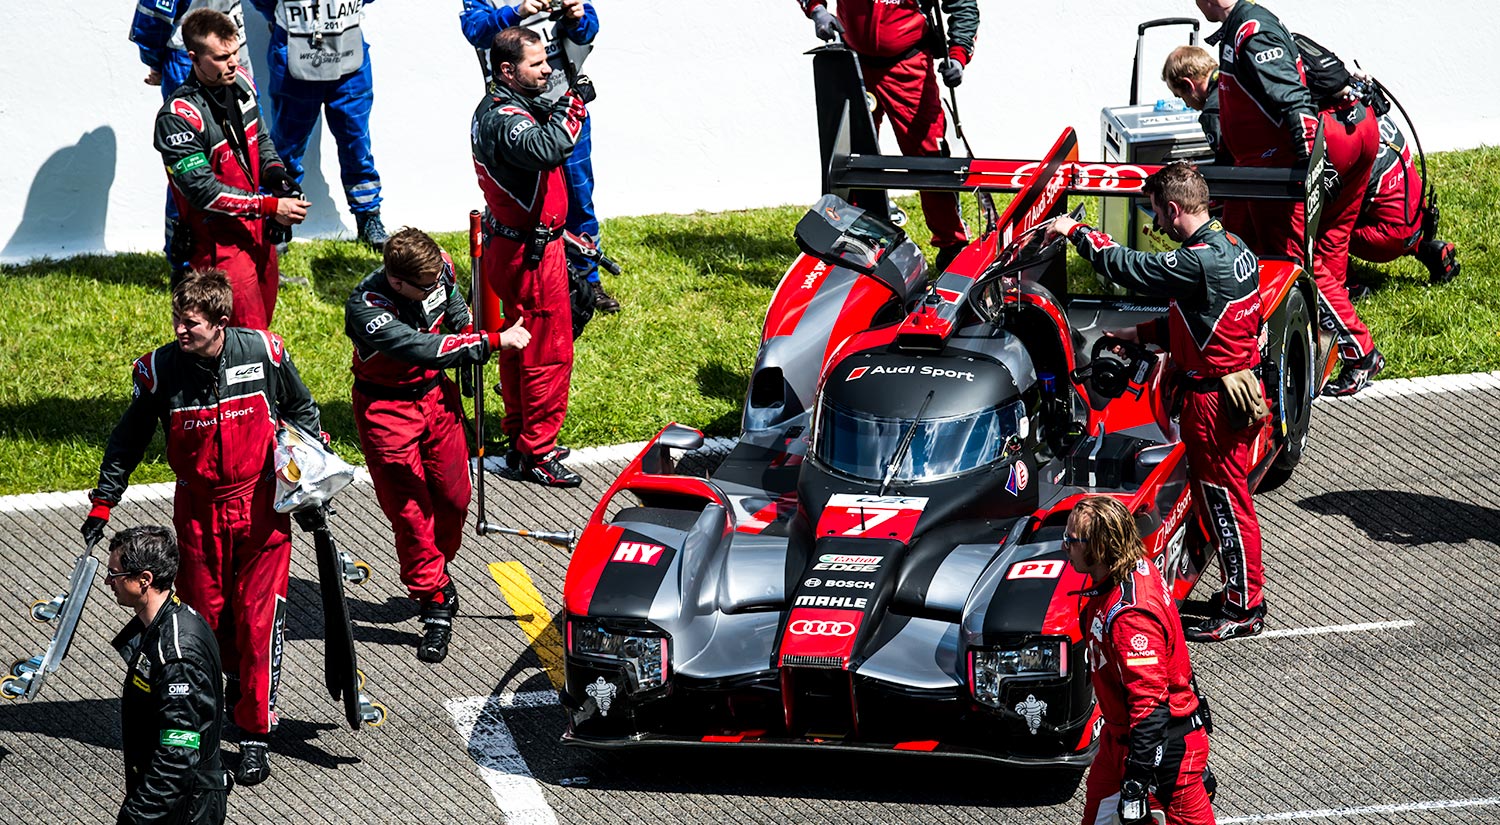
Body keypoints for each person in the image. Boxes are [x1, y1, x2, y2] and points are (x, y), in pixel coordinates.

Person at [84, 268, 324, 786]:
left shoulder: (264, 351)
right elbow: (128, 438)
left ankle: (255, 735)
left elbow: (302, 409)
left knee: (261, 623)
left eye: (189, 322)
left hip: (262, 509)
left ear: (221, 322)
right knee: (205, 623)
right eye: (176, 319)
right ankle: (211, 709)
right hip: (197, 513)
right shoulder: (159, 371)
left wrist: (306, 481)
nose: (179, 330)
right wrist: (104, 500)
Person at [1048, 162, 1267, 642]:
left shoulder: (1198, 260)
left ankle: (1246, 606)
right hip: (1237, 387)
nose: (1156, 224)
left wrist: (1077, 232)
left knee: (1228, 503)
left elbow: (1130, 267)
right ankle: (1240, 594)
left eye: (1156, 213)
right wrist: (1139, 333)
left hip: (1214, 402)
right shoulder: (1234, 248)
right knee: (1225, 498)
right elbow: (1203, 320)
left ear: (1173, 209)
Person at [344, 228, 531, 662]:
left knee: (454, 497)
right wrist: (488, 342)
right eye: (423, 285)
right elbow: (420, 346)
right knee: (411, 513)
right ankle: (434, 596)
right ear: (397, 282)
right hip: (385, 411)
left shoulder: (438, 266)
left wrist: (466, 327)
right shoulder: (366, 308)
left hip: (435, 397)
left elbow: (452, 299)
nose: (435, 284)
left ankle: (433, 565)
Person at [1194, 0, 1382, 397]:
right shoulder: (1240, 27)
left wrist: (1309, 170)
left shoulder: (1252, 30)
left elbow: (1294, 102)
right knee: (1256, 247)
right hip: (1266, 168)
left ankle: (1361, 352)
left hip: (1277, 172)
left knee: (1298, 265)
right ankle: (1306, 342)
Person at [1163, 45, 1461, 286]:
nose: (1187, 104)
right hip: (1414, 216)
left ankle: (1345, 286)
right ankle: (1424, 248)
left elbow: (1232, 173)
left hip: (1384, 235)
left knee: (1306, 221)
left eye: (1181, 97)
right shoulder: (1350, 105)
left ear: (1189, 85)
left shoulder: (1221, 104)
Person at [471, 26, 588, 487]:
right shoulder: (504, 118)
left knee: (518, 345)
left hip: (517, 246)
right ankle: (538, 452)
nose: (547, 71)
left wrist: (558, 98)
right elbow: (550, 146)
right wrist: (574, 102)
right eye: (536, 65)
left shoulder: (504, 105)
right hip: (531, 256)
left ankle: (521, 439)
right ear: (507, 71)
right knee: (547, 352)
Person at [460, 0, 620, 314]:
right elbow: (475, 31)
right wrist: (517, 12)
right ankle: (502, 282)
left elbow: (589, 28)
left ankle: (588, 279)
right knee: (517, 202)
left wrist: (577, 17)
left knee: (578, 196)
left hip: (563, 106)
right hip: (516, 109)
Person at [154, 8, 309, 331]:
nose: (234, 62)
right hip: (215, 246)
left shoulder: (243, 84)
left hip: (257, 233)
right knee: (244, 339)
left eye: (236, 52)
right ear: (194, 58)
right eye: (222, 56)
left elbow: (261, 141)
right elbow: (203, 192)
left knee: (262, 329)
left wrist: (279, 178)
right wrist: (270, 205)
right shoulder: (177, 117)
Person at [1065, 496, 1217, 825]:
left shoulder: (1131, 616)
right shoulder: (1136, 568)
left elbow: (1151, 705)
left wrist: (1136, 781)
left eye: (1072, 540)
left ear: (1099, 547)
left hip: (1160, 749)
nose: (1066, 546)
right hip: (1119, 740)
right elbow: (1175, 660)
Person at [799, 0, 978, 274]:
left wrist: (958, 54)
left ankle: (951, 245)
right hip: (851, 60)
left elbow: (963, 5)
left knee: (929, 157)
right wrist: (816, 10)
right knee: (850, 158)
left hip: (908, 66)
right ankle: (856, 242)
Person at [108, 525, 229, 825]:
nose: (109, 581)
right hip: (171, 798)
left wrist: (136, 816)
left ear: (144, 580)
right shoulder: (169, 622)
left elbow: (178, 755)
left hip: (182, 808)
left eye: (116, 574)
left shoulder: (177, 655)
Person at [247, 0, 389, 248]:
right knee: (286, 150)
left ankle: (368, 217)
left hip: (349, 59)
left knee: (357, 146)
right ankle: (277, 222)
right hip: (295, 56)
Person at [130, 0, 255, 274]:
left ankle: (245, 257)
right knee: (192, 166)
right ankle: (187, 267)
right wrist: (157, 62)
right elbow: (152, 17)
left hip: (234, 52)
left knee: (243, 156)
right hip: (189, 61)